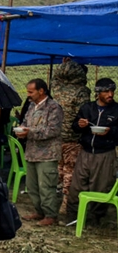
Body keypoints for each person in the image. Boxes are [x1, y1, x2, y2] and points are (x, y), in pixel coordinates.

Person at [65, 78, 118, 226]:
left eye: (112, 91)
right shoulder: (87, 108)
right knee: (77, 185)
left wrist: (110, 131)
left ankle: (96, 219)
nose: (110, 94)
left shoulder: (116, 110)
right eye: (106, 91)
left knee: (101, 186)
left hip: (105, 153)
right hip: (86, 151)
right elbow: (74, 127)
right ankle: (73, 216)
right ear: (98, 92)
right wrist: (80, 125)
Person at [19, 79, 64, 226]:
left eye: (31, 92)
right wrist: (21, 129)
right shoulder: (32, 106)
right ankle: (39, 211)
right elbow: (25, 122)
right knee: (32, 186)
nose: (28, 95)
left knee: (46, 186)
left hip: (47, 154)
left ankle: (51, 215)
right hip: (32, 152)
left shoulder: (53, 108)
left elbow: (52, 130)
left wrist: (29, 132)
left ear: (41, 91)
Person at [51, 60, 90, 216]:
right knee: (70, 172)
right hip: (73, 138)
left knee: (59, 171)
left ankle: (55, 203)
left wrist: (62, 65)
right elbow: (84, 114)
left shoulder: (58, 87)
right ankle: (66, 206)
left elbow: (55, 77)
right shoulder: (82, 91)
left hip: (57, 136)